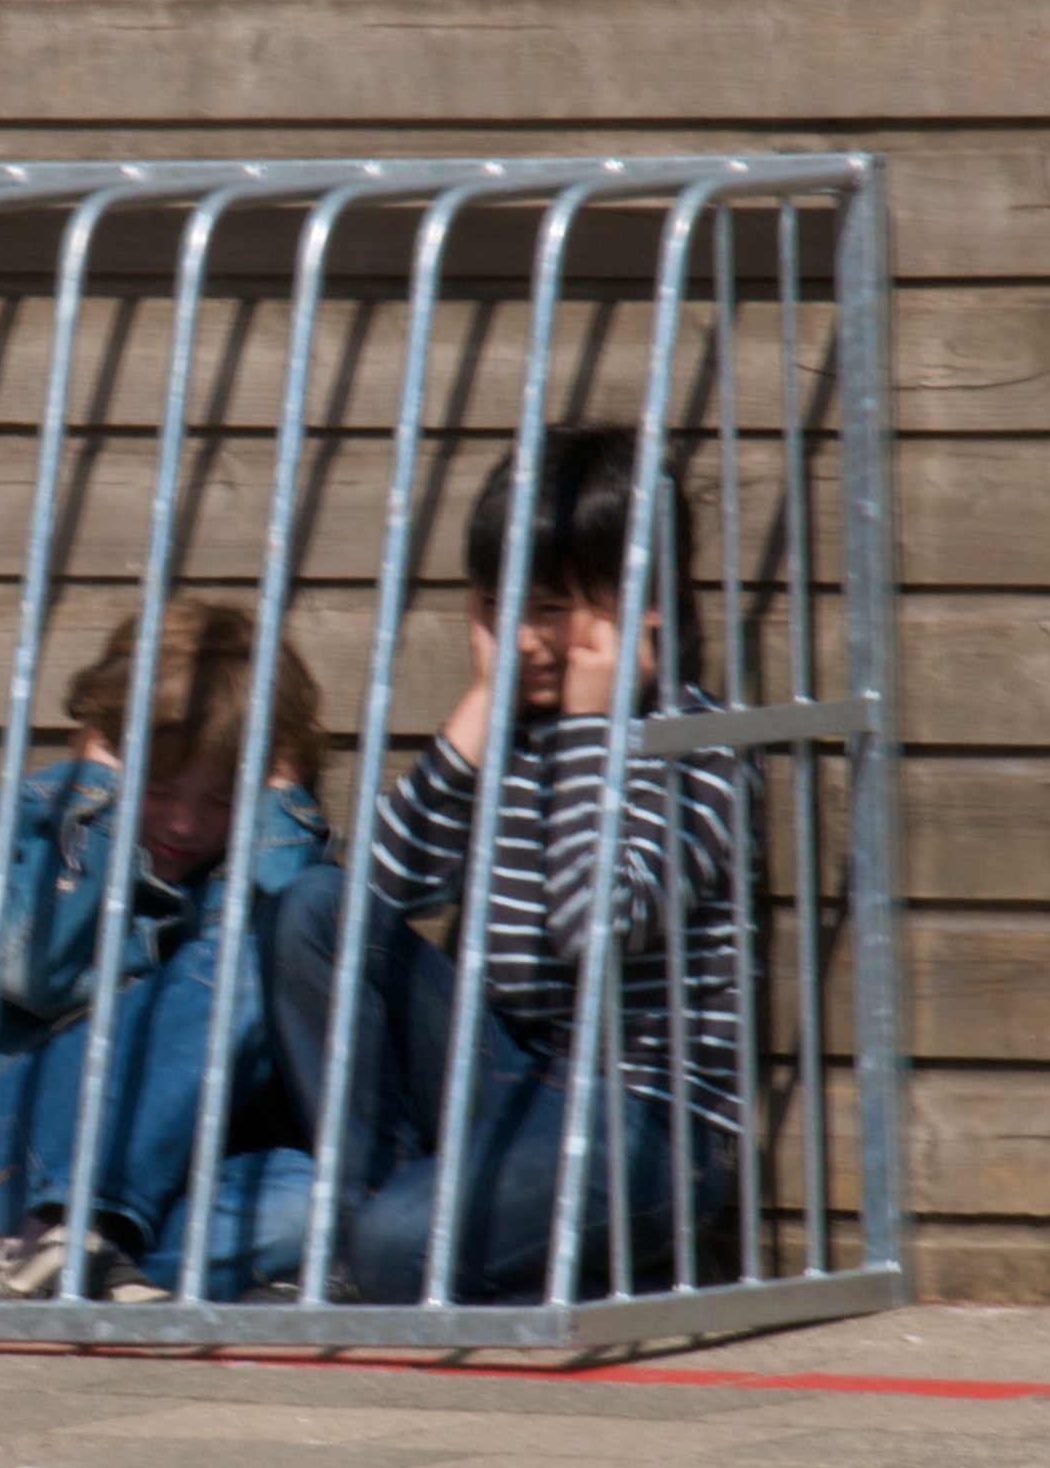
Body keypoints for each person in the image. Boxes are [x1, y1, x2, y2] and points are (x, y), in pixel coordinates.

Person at [264, 427, 752, 1305]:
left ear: (643, 602)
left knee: (398, 1252)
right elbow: (371, 901)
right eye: (500, 607)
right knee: (310, 906)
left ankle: (420, 1255)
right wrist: (476, 718)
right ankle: (377, 1234)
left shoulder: (702, 750)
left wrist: (588, 733)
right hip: (505, 1081)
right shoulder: (512, 736)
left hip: (640, 1120)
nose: (524, 639)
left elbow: (593, 924)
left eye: (553, 609)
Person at [0, 600, 336, 1303]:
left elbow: (311, 995)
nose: (186, 821)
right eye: (156, 788)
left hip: (164, 1181)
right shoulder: (33, 826)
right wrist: (95, 803)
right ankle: (70, 1229)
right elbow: (32, 968)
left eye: (223, 798)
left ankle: (32, 1268)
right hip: (1, 1153)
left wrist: (276, 819)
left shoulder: (248, 871)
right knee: (251, 959)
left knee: (313, 1201)